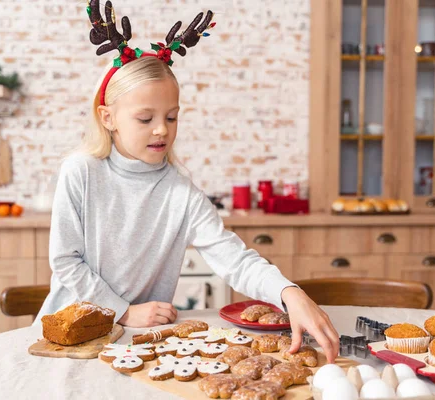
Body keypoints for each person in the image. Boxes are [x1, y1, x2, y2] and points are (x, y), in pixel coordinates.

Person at [35, 2, 339, 361]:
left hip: (135, 340)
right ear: (108, 117)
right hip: (69, 341)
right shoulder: (81, 171)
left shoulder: (180, 192)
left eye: (172, 117)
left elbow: (236, 261)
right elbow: (67, 261)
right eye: (145, 118)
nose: (162, 129)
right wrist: (124, 310)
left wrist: (291, 293)